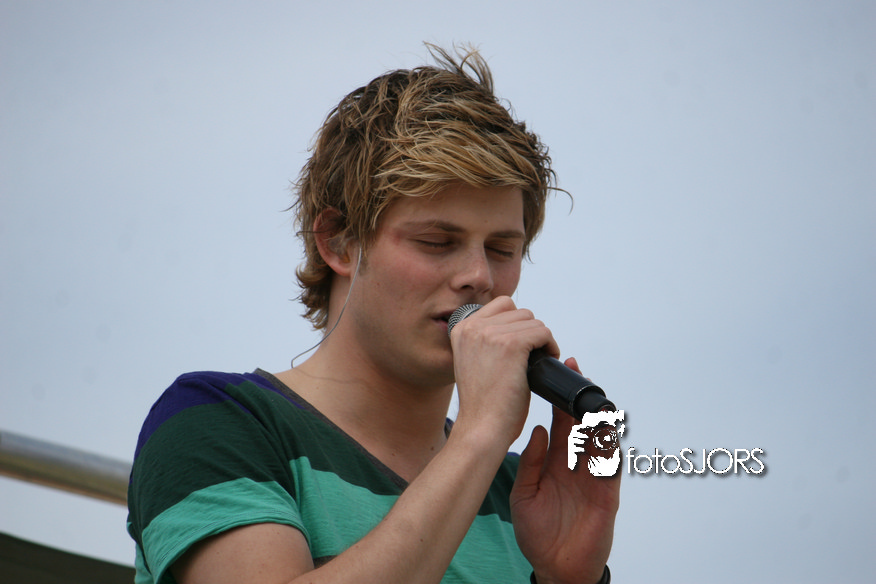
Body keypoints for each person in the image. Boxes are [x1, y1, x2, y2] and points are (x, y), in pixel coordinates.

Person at [127, 44, 620, 584]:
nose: (479, 276)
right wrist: (478, 437)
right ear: (338, 242)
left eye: (502, 249)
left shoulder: (521, 495)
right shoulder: (216, 423)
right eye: (437, 241)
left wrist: (566, 578)